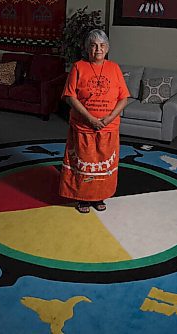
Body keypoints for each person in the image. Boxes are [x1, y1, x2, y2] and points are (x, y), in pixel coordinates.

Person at [59, 29, 130, 214]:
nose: (98, 49)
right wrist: (90, 119)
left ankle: (99, 196)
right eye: (93, 45)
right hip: (83, 126)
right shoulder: (78, 67)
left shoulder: (114, 68)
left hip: (109, 127)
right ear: (87, 48)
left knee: (104, 163)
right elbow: (70, 97)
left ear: (107, 48)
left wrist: (108, 118)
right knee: (84, 162)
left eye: (102, 45)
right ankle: (82, 197)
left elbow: (124, 98)